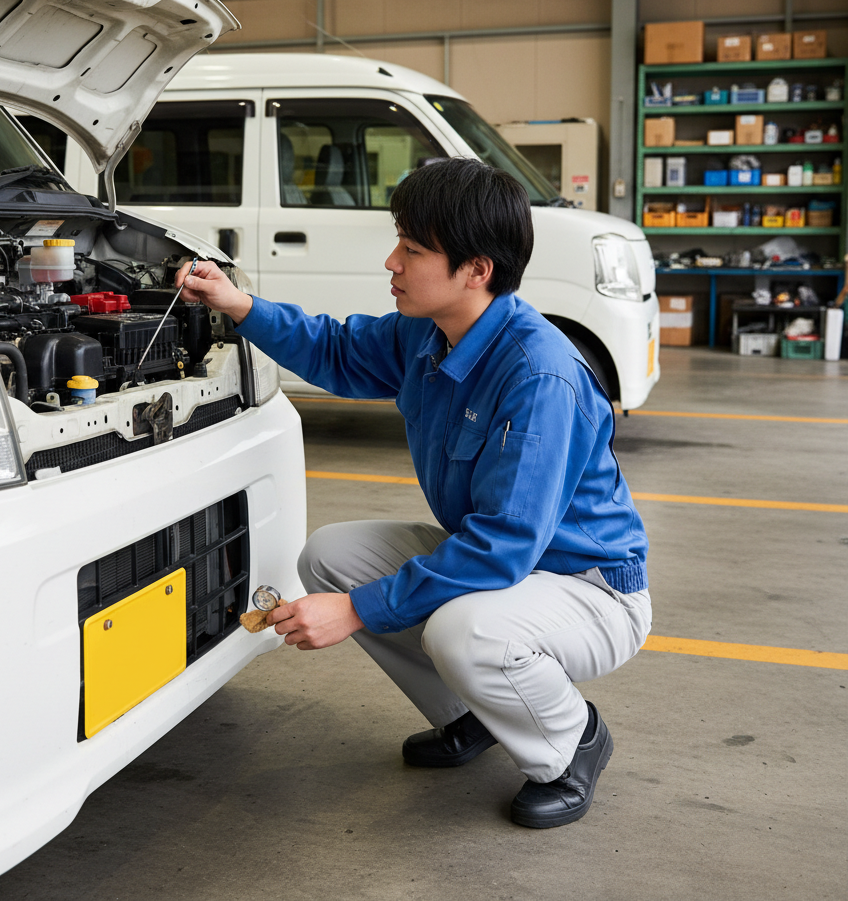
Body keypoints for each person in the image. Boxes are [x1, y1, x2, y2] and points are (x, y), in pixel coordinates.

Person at [175, 157, 651, 829]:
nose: (392, 262)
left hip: (590, 587)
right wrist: (237, 304)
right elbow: (337, 351)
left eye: (415, 248)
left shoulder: (540, 377)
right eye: (400, 241)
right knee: (333, 556)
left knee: (465, 629)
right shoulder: (428, 334)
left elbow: (502, 548)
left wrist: (359, 612)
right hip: (511, 567)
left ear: (477, 270)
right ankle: (474, 717)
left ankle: (571, 742)